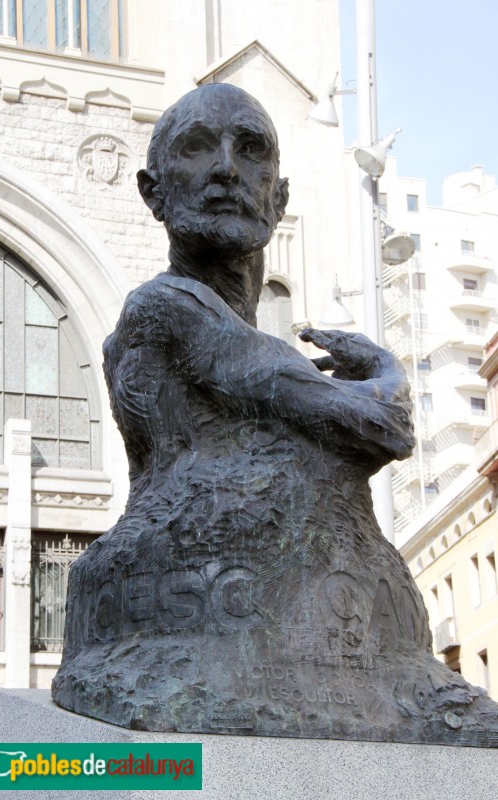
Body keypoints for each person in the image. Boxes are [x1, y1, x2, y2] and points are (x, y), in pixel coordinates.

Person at [54, 85, 497, 745]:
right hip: (203, 613)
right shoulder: (168, 307)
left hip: (319, 623)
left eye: (249, 150)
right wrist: (385, 371)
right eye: (197, 149)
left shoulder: (234, 334)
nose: (226, 169)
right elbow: (384, 426)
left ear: (278, 198)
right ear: (154, 193)